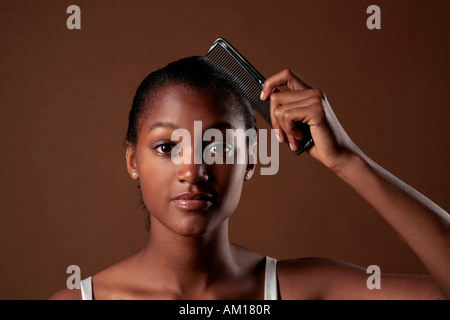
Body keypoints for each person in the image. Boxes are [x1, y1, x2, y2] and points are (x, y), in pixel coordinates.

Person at [49, 56, 449, 300]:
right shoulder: (80, 299)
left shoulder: (306, 289)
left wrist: (348, 160)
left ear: (252, 161)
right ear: (132, 160)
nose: (193, 170)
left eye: (219, 146)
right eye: (167, 147)